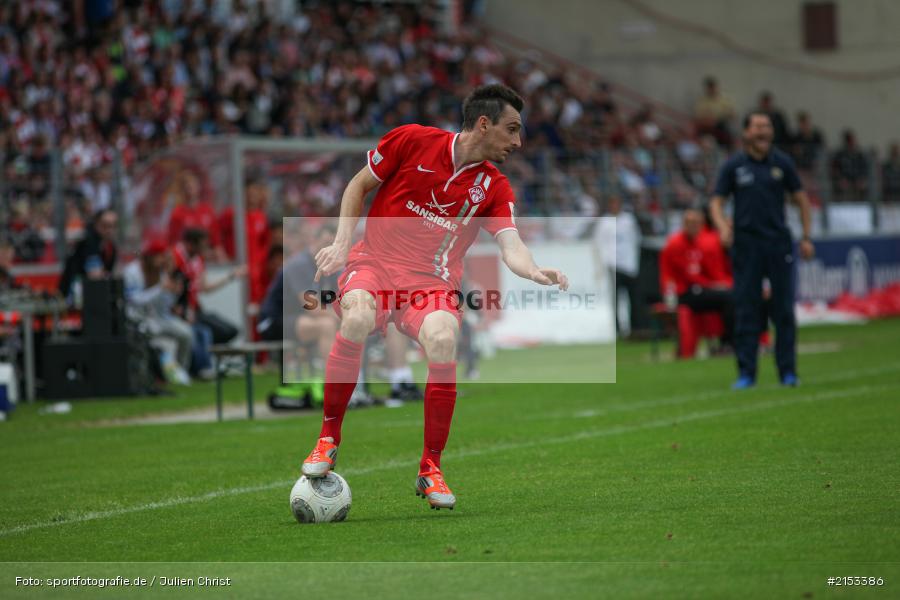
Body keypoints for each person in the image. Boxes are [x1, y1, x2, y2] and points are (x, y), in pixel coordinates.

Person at [300, 84, 569, 510]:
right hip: (375, 264)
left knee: (444, 339)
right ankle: (327, 439)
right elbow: (357, 185)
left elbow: (511, 243)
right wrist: (340, 242)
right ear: (484, 124)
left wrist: (533, 269)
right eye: (512, 129)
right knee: (356, 317)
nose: (518, 142)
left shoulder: (494, 187)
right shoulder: (411, 140)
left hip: (432, 283)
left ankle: (430, 468)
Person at [710, 112, 815, 390]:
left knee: (783, 311)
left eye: (766, 126)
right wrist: (722, 227)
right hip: (746, 246)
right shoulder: (734, 165)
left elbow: (802, 199)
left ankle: (788, 372)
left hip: (778, 243)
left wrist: (806, 236)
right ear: (746, 133)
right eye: (757, 126)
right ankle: (746, 373)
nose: (762, 131)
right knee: (747, 310)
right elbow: (716, 202)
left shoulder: (782, 163)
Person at [659, 208, 734, 354]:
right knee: (727, 297)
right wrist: (714, 285)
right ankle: (727, 343)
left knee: (731, 294)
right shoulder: (675, 245)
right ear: (684, 224)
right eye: (690, 223)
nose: (694, 226)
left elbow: (709, 271)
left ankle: (731, 342)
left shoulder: (701, 243)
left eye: (697, 223)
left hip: (699, 289)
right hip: (682, 293)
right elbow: (689, 275)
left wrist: (723, 284)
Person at [122, 239, 193, 384]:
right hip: (136, 320)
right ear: (150, 256)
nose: (162, 260)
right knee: (150, 338)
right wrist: (160, 288)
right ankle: (147, 376)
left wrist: (174, 293)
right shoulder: (132, 271)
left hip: (157, 318)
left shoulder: (161, 272)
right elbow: (134, 300)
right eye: (159, 256)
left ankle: (180, 372)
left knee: (186, 333)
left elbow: (163, 306)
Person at [594, 195, 641, 337]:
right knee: (615, 299)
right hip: (613, 264)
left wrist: (634, 261)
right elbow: (598, 243)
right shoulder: (604, 222)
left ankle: (634, 329)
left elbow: (636, 239)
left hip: (629, 264)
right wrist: (602, 264)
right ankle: (618, 330)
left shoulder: (629, 220)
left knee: (633, 298)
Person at [58, 208, 118, 304]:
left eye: (114, 226)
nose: (110, 230)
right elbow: (95, 275)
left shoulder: (111, 247)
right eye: (106, 226)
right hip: (74, 298)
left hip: (92, 296)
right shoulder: (88, 241)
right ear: (97, 224)